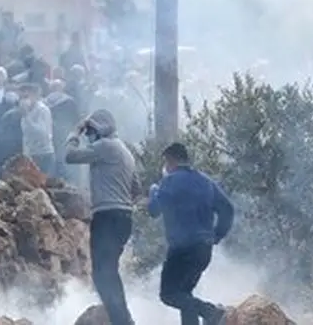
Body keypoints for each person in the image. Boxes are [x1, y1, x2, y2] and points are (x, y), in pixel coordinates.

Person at [65, 109, 141, 325]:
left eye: (91, 130)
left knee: (102, 273)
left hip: (107, 216)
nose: (89, 135)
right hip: (123, 217)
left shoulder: (105, 146)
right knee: (108, 272)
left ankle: (121, 320)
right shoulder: (126, 152)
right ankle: (121, 318)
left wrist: (75, 132)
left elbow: (70, 156)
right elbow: (136, 189)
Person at [149, 142, 234, 325]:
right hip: (204, 249)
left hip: (181, 250)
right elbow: (227, 209)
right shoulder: (206, 181)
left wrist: (153, 191)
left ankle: (211, 312)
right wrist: (216, 236)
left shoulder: (169, 181)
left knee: (169, 294)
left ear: (171, 160)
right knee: (185, 296)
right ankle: (207, 318)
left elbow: (154, 210)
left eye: (166, 162)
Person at [45, 80, 80, 182]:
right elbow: (75, 120)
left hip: (51, 135)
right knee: (64, 160)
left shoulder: (44, 102)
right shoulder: (69, 101)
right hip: (65, 134)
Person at [18, 82, 55, 176]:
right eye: (21, 97)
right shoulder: (25, 111)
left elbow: (43, 133)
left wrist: (27, 117)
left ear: (35, 95)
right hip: (29, 154)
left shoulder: (42, 110)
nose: (23, 100)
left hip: (42, 154)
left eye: (26, 96)